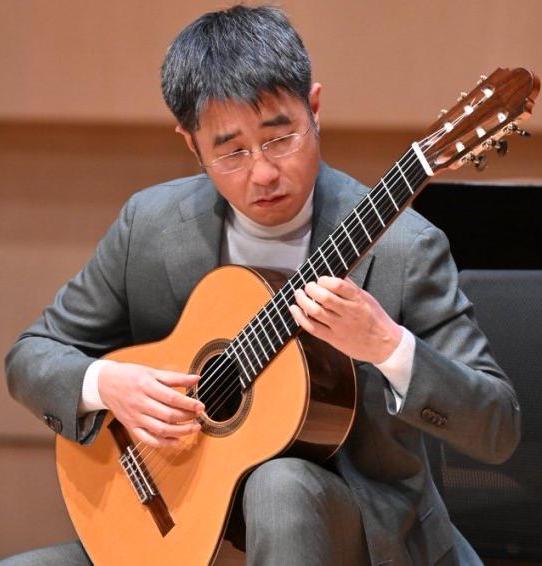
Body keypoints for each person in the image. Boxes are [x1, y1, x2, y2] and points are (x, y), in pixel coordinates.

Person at [4, 5, 520, 565]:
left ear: (314, 109)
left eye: (280, 137)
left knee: (280, 487)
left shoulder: (405, 249)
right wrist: (106, 384)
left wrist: (387, 346)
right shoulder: (150, 227)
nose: (264, 172)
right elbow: (33, 356)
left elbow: (496, 426)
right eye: (231, 151)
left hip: (360, 537)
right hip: (186, 526)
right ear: (192, 145)